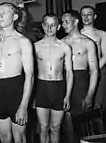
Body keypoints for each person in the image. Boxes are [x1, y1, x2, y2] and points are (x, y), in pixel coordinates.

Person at [0, 2, 34, 143]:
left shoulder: (23, 42)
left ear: (15, 16)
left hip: (16, 90)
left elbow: (30, 77)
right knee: (4, 137)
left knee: (19, 138)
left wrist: (24, 106)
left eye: (4, 12)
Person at [34, 13, 73, 143]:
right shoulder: (35, 47)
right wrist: (32, 95)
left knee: (55, 127)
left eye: (53, 25)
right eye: (46, 25)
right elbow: (31, 74)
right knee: (43, 127)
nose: (49, 28)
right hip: (41, 88)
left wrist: (67, 96)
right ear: (42, 26)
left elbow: (69, 73)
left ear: (58, 27)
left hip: (58, 88)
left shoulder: (64, 47)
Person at [61, 10, 99, 143]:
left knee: (82, 124)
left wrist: (90, 94)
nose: (63, 24)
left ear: (76, 21)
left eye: (66, 21)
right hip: (64, 82)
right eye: (62, 22)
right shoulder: (61, 42)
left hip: (81, 83)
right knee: (66, 124)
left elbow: (94, 71)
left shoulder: (88, 43)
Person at [80, 5, 106, 111]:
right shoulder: (77, 34)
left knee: (99, 106)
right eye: (83, 15)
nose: (86, 17)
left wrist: (94, 70)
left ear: (95, 16)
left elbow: (105, 56)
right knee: (85, 105)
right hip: (83, 72)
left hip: (100, 71)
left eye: (89, 14)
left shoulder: (101, 34)